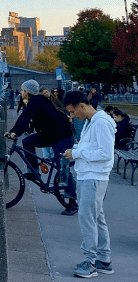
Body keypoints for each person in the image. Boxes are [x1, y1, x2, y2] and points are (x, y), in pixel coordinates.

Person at [63, 90, 115, 278]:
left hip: (93, 177)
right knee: (96, 218)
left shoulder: (100, 122)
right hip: (90, 176)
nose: (72, 115)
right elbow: (94, 149)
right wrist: (76, 151)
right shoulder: (93, 121)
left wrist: (76, 153)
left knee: (87, 218)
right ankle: (103, 260)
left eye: (73, 111)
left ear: (81, 106)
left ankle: (90, 262)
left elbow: (106, 154)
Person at [6, 79, 77, 214]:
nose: (21, 92)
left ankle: (72, 202)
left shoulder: (36, 101)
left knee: (62, 167)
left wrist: (16, 132)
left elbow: (25, 118)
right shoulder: (37, 101)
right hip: (50, 134)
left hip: (62, 137)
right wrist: (12, 131)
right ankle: (33, 171)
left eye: (22, 90)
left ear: (27, 91)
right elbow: (23, 118)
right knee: (27, 142)